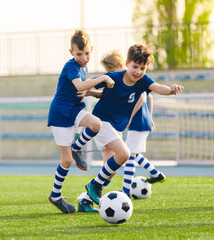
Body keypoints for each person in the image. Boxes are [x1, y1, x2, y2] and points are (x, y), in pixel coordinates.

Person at [72, 44, 184, 209]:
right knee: (124, 154)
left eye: (142, 68)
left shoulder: (143, 81)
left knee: (110, 169)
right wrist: (84, 91)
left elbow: (159, 88)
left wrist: (171, 89)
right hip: (102, 122)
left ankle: (86, 201)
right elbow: (91, 84)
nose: (138, 71)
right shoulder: (114, 77)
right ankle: (94, 184)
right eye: (135, 67)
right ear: (127, 63)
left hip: (116, 128)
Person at [47, 29, 114, 214]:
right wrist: (102, 78)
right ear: (71, 53)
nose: (84, 57)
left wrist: (99, 93)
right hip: (60, 115)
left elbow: (83, 89)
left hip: (74, 110)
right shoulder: (71, 66)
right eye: (79, 54)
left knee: (96, 124)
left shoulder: (83, 67)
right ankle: (55, 195)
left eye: (87, 53)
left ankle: (77, 147)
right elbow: (79, 85)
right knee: (66, 161)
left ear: (91, 49)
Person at [100, 50, 167, 197]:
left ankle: (126, 191)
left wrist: (138, 117)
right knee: (133, 153)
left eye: (113, 71)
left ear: (121, 65)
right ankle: (155, 173)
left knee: (130, 154)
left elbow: (145, 97)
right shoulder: (127, 81)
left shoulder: (134, 81)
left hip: (138, 120)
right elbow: (148, 97)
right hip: (140, 120)